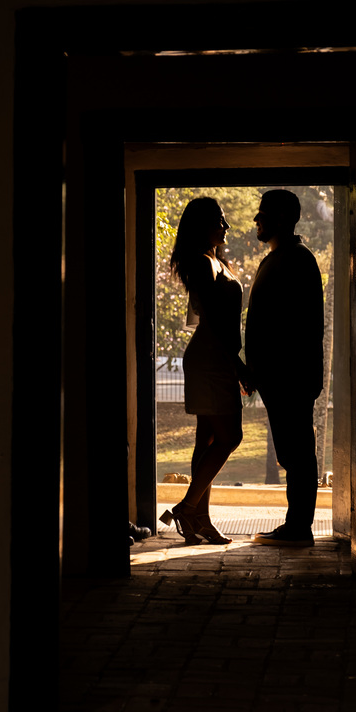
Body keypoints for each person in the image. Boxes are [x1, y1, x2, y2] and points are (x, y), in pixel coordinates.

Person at [158, 197, 246, 545]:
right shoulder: (201, 262)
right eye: (219, 221)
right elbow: (214, 320)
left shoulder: (211, 260)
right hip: (212, 359)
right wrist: (237, 364)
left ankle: (200, 521)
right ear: (202, 225)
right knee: (231, 436)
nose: (225, 227)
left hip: (211, 356)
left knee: (207, 439)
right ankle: (188, 506)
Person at [242, 189, 324, 547]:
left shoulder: (294, 261)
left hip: (290, 376)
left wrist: (261, 370)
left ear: (279, 219)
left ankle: (298, 527)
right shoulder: (281, 259)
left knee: (297, 452)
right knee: (294, 451)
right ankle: (296, 524)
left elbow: (293, 328)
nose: (256, 220)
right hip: (281, 376)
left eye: (262, 214)